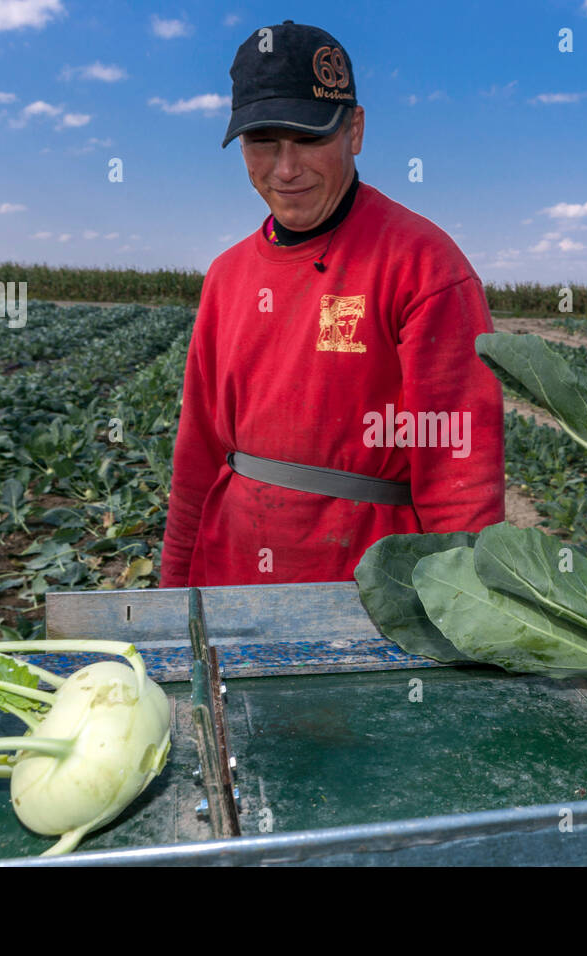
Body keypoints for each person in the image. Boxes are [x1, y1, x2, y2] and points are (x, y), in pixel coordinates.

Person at [159, 20, 505, 588]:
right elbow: (196, 454)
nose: (286, 168)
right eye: (262, 141)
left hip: (370, 591)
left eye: (310, 138)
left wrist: (468, 611)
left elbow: (458, 476)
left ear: (356, 130)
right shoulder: (226, 275)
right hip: (232, 577)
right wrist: (172, 592)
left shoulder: (423, 264)